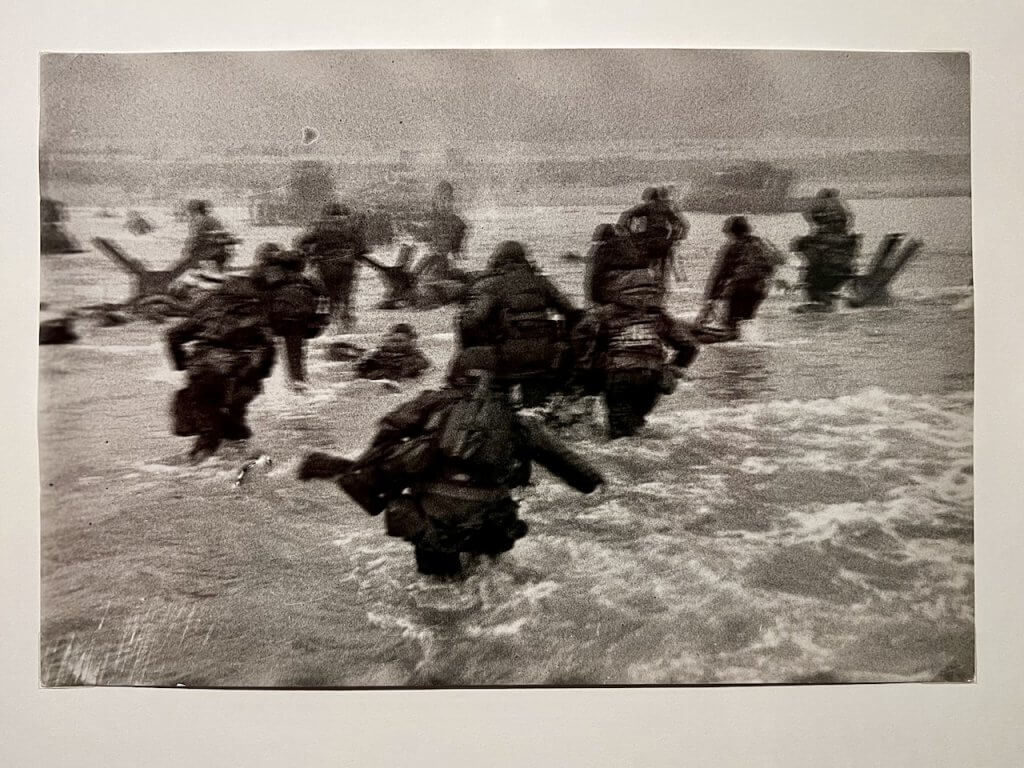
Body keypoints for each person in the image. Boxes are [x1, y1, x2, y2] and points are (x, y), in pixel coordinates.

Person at [296, 347, 605, 577]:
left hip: (432, 523)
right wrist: (598, 485)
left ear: (455, 371)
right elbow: (566, 462)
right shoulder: (515, 420)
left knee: (439, 594)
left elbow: (389, 426)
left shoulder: (433, 401)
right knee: (488, 579)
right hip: (491, 524)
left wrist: (373, 467)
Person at [572, 267, 699, 439]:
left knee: (620, 437)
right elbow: (690, 346)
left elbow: (579, 333)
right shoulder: (659, 316)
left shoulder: (606, 313)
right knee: (635, 425)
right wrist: (673, 367)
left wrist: (591, 361)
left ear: (618, 289)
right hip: (653, 378)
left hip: (619, 377)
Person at [166, 271, 277, 460]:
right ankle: (237, 462)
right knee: (235, 424)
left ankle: (199, 469)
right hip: (240, 380)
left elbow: (173, 336)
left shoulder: (209, 309)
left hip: (205, 374)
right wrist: (259, 376)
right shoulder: (257, 313)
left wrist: (182, 364)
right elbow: (268, 348)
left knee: (208, 430)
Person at [459, 240, 582, 407]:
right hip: (545, 359)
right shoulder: (542, 282)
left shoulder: (494, 284)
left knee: (469, 364)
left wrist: (486, 339)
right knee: (538, 408)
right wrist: (560, 340)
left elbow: (471, 323)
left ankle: (496, 409)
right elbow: (573, 313)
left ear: (498, 260)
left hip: (509, 361)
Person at [252, 243, 329, 392]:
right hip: (300, 322)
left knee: (257, 355)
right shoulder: (306, 278)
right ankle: (299, 387)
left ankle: (257, 388)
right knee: (296, 362)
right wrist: (321, 320)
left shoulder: (262, 276)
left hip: (274, 322)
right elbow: (323, 297)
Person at [698, 216, 786, 334]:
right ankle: (745, 341)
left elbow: (720, 274)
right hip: (760, 289)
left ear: (732, 232)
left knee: (732, 323)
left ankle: (730, 338)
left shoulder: (733, 247)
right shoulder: (762, 242)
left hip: (741, 288)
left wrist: (710, 299)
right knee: (746, 322)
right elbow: (780, 260)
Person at [295, 203, 368, 331]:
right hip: (347, 265)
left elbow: (301, 243)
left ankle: (331, 322)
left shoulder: (319, 225)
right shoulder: (350, 225)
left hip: (326, 264)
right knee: (346, 294)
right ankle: (346, 321)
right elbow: (361, 247)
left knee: (329, 293)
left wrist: (311, 253)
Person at [792, 190, 859, 309]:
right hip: (843, 272)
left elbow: (809, 214)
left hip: (822, 276)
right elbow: (850, 218)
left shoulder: (816, 240)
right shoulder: (841, 206)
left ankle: (819, 299)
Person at [616, 187, 687, 290]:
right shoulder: (665, 208)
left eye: (644, 198)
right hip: (664, 244)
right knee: (662, 269)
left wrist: (621, 230)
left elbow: (626, 214)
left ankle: (644, 285)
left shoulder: (646, 207)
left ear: (649, 197)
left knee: (644, 264)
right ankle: (661, 286)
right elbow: (677, 223)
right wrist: (674, 237)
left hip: (649, 244)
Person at [416, 181, 470, 283]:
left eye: (449, 199)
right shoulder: (427, 220)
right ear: (436, 200)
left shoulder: (458, 223)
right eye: (442, 199)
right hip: (427, 270)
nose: (446, 204)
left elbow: (459, 255)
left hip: (444, 270)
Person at [583, 223, 649, 306]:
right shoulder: (631, 247)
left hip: (618, 296)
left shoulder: (602, 250)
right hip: (645, 288)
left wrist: (593, 300)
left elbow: (594, 276)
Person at [355, 322, 430, 381]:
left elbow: (408, 372)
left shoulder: (417, 358)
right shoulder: (377, 354)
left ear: (411, 342)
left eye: (400, 341)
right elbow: (360, 370)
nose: (395, 344)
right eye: (393, 341)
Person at [183, 199, 236, 272]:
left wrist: (187, 252)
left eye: (190, 211)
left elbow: (194, 240)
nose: (189, 213)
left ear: (194, 211)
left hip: (211, 255)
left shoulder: (199, 220)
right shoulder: (209, 219)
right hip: (218, 254)